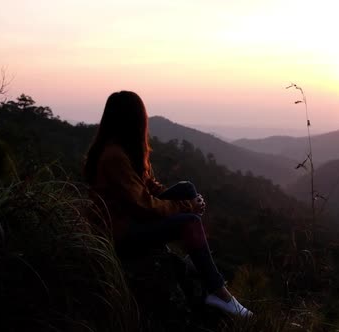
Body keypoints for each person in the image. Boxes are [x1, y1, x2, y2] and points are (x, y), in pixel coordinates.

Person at [83, 91, 252, 317]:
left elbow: (149, 188)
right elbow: (142, 205)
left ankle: (196, 256)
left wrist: (187, 200)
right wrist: (187, 207)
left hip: (131, 219)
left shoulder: (124, 151)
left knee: (186, 187)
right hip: (122, 235)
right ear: (134, 120)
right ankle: (219, 292)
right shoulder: (114, 157)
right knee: (190, 221)